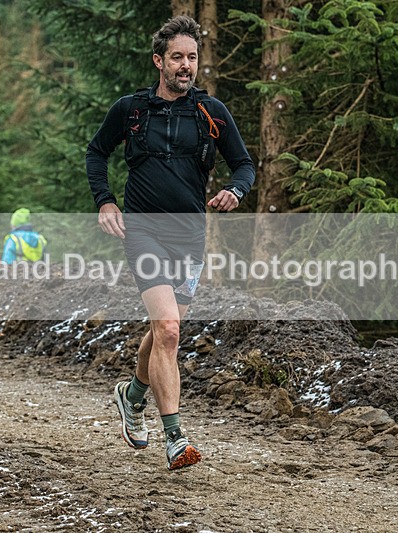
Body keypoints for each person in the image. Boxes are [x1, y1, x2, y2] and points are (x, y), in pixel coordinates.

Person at [86, 15, 255, 470]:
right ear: (159, 61)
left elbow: (244, 165)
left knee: (165, 332)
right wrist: (105, 202)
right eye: (177, 57)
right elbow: (96, 151)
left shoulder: (211, 112)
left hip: (190, 237)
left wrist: (234, 191)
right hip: (143, 231)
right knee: (169, 331)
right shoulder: (131, 110)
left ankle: (132, 394)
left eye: (192, 58)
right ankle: (175, 438)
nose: (186, 66)